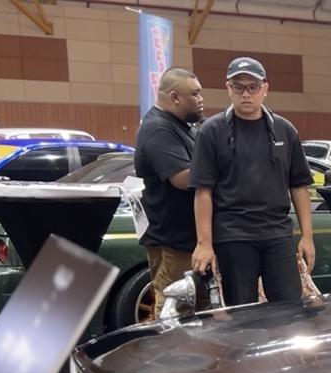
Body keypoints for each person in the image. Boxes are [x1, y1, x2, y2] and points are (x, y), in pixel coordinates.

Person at [190, 56, 314, 306]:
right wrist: (204, 243)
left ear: (265, 88)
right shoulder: (211, 131)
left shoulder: (285, 130)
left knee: (290, 310)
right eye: (238, 87)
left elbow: (299, 186)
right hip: (233, 236)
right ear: (228, 88)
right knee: (242, 314)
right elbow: (203, 191)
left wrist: (307, 237)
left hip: (277, 233)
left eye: (253, 87)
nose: (245, 94)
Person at [135, 67, 206, 310]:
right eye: (195, 94)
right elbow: (181, 178)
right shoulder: (158, 128)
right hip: (173, 242)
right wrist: (223, 168)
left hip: (188, 239)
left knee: (199, 307)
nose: (201, 99)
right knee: (174, 308)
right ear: (175, 97)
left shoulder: (183, 126)